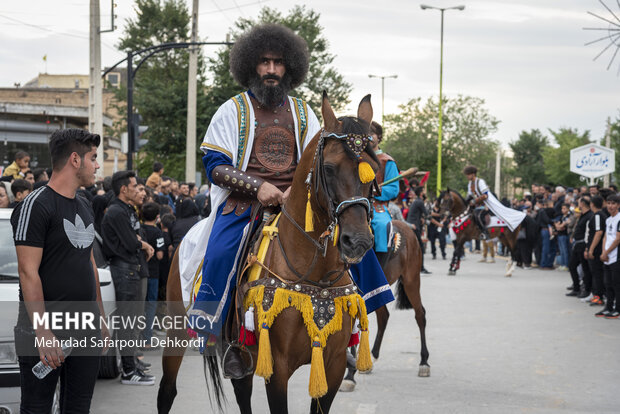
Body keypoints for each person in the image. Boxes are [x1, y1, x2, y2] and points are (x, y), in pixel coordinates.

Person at [183, 23, 393, 379]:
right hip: (244, 205)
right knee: (221, 255)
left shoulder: (303, 112)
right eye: (264, 62)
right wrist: (258, 186)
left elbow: (320, 161)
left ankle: (349, 333)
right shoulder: (231, 110)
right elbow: (215, 166)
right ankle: (223, 336)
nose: (270, 69)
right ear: (252, 65)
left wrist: (296, 193)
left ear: (288, 68)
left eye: (278, 63)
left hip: (298, 204)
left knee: (354, 242)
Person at [11, 129, 109, 412]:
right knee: (37, 408)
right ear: (75, 160)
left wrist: (100, 318)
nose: (97, 165)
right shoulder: (35, 205)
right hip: (43, 330)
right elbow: (28, 272)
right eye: (94, 158)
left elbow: (88, 262)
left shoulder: (84, 204)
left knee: (78, 407)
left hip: (85, 327)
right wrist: (43, 331)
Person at [101, 171, 155, 385]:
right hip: (124, 270)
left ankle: (132, 366)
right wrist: (143, 244)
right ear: (124, 189)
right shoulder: (115, 212)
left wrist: (140, 242)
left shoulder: (126, 209)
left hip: (132, 269)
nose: (137, 189)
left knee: (132, 322)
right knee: (126, 322)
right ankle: (129, 372)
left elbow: (135, 236)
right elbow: (131, 242)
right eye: (134, 186)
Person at [368, 121, 400, 265]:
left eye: (371, 134)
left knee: (382, 226)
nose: (367, 137)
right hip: (353, 203)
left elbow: (393, 189)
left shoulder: (388, 162)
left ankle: (380, 268)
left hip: (377, 206)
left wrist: (375, 190)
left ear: (379, 137)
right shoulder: (354, 158)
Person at [463, 165, 526, 236]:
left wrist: (474, 201)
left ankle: (484, 232)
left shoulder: (480, 182)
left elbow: (485, 195)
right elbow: (469, 195)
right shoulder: (470, 184)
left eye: (468, 174)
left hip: (487, 205)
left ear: (473, 174)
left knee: (478, 215)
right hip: (478, 205)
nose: (467, 176)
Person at [140, 202, 165, 344]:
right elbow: (160, 255)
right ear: (157, 217)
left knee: (139, 306)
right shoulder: (157, 232)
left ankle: (137, 336)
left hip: (140, 271)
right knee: (150, 304)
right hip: (153, 273)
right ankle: (147, 338)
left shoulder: (139, 229)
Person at [598, 194, 620, 318]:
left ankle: (618, 309)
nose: (610, 206)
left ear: (618, 205)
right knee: (608, 283)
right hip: (607, 256)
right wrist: (603, 252)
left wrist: (606, 252)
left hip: (616, 256)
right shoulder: (608, 219)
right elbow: (606, 237)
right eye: (609, 203)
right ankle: (608, 307)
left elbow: (617, 239)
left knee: (616, 284)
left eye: (613, 203)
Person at [567, 197, 593, 297]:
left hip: (583, 244)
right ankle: (576, 288)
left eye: (579, 203)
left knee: (585, 268)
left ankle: (587, 290)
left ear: (582, 203)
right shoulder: (582, 215)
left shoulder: (589, 216)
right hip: (577, 244)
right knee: (572, 265)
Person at [585, 196, 607, 304]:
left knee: (597, 272)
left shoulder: (598, 215)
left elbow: (599, 233)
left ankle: (598, 296)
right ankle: (596, 294)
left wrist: (591, 249)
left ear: (592, 204)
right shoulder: (598, 215)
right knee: (595, 272)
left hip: (596, 249)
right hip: (594, 248)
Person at [406, 186, 430, 274]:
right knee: (420, 248)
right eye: (423, 190)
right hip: (415, 227)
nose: (424, 192)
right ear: (420, 193)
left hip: (413, 225)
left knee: (414, 247)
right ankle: (421, 268)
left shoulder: (416, 201)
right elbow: (427, 213)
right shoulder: (420, 202)